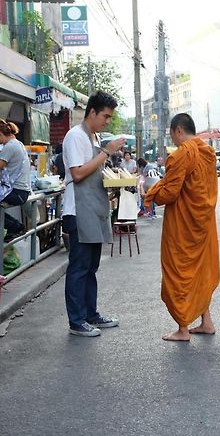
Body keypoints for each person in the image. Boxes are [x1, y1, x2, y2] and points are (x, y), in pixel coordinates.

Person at [144, 113, 220, 341]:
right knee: (201, 274)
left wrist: (152, 192)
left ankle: (183, 329)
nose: (173, 140)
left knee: (180, 273)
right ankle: (206, 322)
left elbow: (169, 193)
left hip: (182, 225)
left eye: (172, 134)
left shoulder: (180, 156)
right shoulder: (208, 153)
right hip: (204, 223)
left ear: (178, 130)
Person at [62, 91, 126, 337]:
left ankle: (90, 314)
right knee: (79, 267)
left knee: (91, 266)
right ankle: (76, 321)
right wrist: (106, 152)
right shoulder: (75, 136)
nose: (107, 121)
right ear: (92, 112)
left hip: (93, 208)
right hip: (78, 209)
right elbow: (77, 173)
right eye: (105, 116)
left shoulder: (91, 137)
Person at [0, 119, 31, 242]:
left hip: (17, 192)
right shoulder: (18, 144)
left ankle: (16, 227)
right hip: (21, 191)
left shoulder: (10, 146)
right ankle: (16, 226)